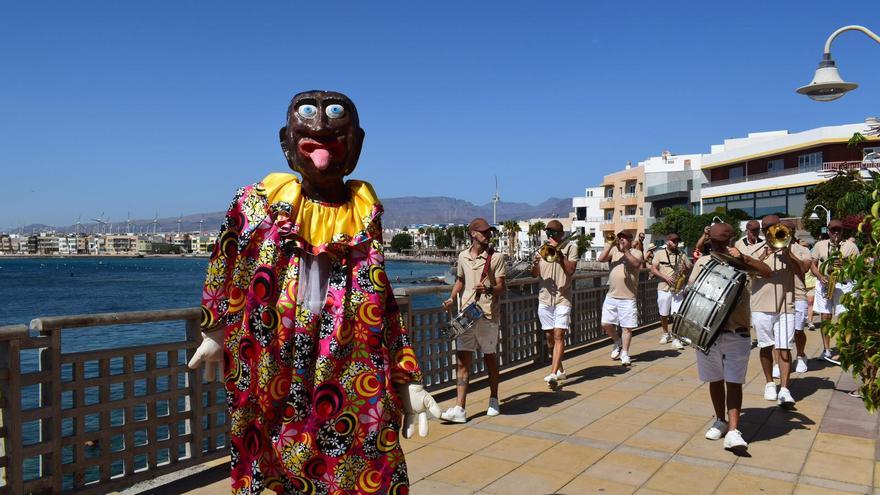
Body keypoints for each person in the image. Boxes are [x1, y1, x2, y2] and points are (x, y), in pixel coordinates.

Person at [187, 91, 440, 494]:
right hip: (273, 354)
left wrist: (405, 377)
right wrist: (214, 329)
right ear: (286, 142)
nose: (321, 125)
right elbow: (225, 261)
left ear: (356, 143)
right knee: (274, 453)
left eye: (336, 121)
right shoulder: (257, 203)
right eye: (308, 117)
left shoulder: (364, 213)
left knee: (355, 460)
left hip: (349, 360)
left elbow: (381, 296)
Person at [691, 223, 771, 452]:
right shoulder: (703, 262)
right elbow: (693, 291)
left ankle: (735, 430)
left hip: (737, 331)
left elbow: (767, 272)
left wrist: (744, 258)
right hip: (709, 332)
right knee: (715, 379)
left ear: (730, 241)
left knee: (734, 382)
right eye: (715, 243)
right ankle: (720, 420)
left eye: (722, 242)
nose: (718, 246)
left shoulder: (741, 261)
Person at [441, 218, 507, 422]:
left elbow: (502, 288)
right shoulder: (462, 256)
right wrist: (452, 298)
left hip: (487, 315)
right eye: (484, 232)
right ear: (473, 234)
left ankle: (494, 399)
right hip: (466, 315)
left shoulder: (496, 258)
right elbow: (460, 280)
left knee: (490, 358)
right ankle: (460, 409)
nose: (487, 235)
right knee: (462, 361)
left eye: (489, 232)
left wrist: (488, 289)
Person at [749, 215, 807, 407]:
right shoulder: (754, 250)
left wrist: (787, 254)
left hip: (786, 305)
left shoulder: (794, 249)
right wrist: (763, 256)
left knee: (784, 348)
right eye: (767, 228)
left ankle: (784, 389)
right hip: (761, 306)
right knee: (765, 346)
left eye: (774, 227)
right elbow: (747, 273)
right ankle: (769, 383)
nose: (771, 231)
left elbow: (801, 271)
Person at [531, 220, 578, 387]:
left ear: (561, 234)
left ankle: (552, 374)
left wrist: (560, 255)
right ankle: (560, 369)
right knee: (550, 338)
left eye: (553, 232)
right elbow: (535, 274)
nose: (550, 235)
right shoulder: (543, 249)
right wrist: (536, 262)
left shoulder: (570, 247)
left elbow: (571, 270)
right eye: (548, 232)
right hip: (544, 298)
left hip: (562, 298)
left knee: (559, 335)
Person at [811, 219, 860, 365]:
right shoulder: (820, 245)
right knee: (825, 316)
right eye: (833, 230)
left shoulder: (851, 246)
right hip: (824, 282)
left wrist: (846, 264)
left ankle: (844, 349)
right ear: (828, 231)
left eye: (838, 230)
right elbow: (812, 265)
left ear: (843, 231)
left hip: (844, 284)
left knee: (843, 317)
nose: (836, 233)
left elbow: (858, 267)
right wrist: (820, 277)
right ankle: (826, 350)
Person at [597, 231, 644, 366]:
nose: (621, 240)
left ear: (630, 240)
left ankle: (625, 353)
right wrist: (608, 246)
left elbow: (636, 264)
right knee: (605, 324)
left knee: (627, 328)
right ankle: (618, 342)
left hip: (628, 297)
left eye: (624, 238)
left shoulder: (636, 252)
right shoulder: (613, 251)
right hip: (612, 295)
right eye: (620, 238)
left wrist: (625, 252)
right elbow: (600, 259)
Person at [650, 232, 691, 350]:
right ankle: (665, 333)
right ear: (667, 241)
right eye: (673, 241)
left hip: (677, 289)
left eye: (677, 241)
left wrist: (685, 271)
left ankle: (676, 338)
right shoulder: (659, 253)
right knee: (663, 313)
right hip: (663, 287)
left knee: (677, 314)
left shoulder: (682, 255)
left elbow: (690, 267)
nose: (676, 243)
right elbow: (653, 269)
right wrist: (665, 277)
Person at [788, 223, 813, 374]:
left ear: (793, 232)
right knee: (779, 332)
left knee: (798, 330)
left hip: (798, 294)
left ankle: (801, 355)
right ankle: (780, 362)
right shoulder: (772, 249)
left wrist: (788, 253)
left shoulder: (803, 250)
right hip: (780, 295)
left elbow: (804, 269)